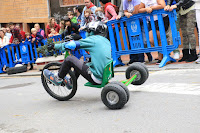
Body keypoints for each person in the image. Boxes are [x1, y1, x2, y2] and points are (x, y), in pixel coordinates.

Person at [43, 22, 112, 86]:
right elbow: (91, 49)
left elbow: (71, 45)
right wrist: (80, 40)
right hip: (105, 74)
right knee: (81, 63)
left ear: (92, 32)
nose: (86, 33)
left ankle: (57, 78)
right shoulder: (105, 41)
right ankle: (71, 82)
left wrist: (55, 46)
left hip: (97, 77)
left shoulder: (93, 40)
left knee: (70, 59)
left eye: (88, 31)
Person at [139, 0, 169, 64]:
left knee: (160, 38)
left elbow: (163, 5)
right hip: (151, 20)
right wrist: (146, 9)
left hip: (161, 18)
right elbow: (139, 9)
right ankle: (164, 53)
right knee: (152, 40)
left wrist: (152, 8)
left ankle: (162, 57)